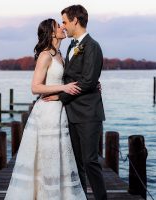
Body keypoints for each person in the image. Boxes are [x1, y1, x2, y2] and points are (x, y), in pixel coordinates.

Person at [4, 18, 86, 200]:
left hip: (59, 110)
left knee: (60, 156)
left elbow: (69, 80)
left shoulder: (59, 54)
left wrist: (92, 85)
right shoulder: (45, 55)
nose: (62, 27)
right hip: (47, 112)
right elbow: (36, 87)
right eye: (58, 26)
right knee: (47, 157)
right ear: (50, 32)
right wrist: (63, 88)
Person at [43, 4, 107, 200]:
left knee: (90, 161)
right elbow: (69, 77)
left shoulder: (92, 46)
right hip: (71, 113)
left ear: (75, 21)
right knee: (77, 162)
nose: (63, 26)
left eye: (64, 21)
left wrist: (59, 96)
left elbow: (88, 80)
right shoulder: (71, 46)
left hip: (88, 114)